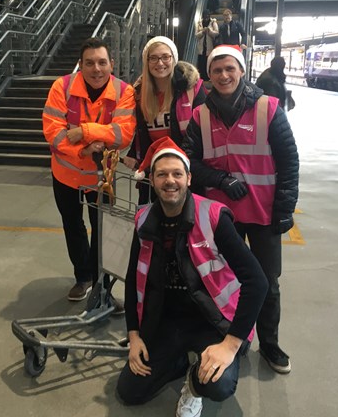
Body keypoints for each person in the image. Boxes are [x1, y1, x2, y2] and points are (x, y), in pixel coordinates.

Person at [116, 136, 268, 416]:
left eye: (177, 174)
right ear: (151, 179)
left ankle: (194, 388)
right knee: (130, 391)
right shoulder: (144, 220)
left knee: (217, 386)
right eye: (161, 174)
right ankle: (180, 362)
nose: (169, 181)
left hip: (211, 321)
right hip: (167, 320)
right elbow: (132, 280)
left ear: (188, 178)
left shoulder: (212, 217)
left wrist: (230, 344)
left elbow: (257, 282)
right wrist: (134, 335)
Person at [182, 45, 299, 375]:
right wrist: (218, 177)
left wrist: (285, 209)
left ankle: (270, 344)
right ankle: (224, 335)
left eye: (229, 68)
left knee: (267, 282)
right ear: (209, 75)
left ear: (242, 71)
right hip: (221, 216)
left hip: (263, 214)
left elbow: (289, 162)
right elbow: (188, 161)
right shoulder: (200, 116)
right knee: (218, 278)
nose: (223, 75)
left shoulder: (268, 109)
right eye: (216, 70)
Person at [42, 38, 136, 301]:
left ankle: (101, 285)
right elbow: (53, 131)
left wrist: (82, 131)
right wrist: (82, 150)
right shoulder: (61, 87)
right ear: (80, 65)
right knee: (73, 225)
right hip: (66, 172)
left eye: (102, 62)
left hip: (102, 175)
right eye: (90, 63)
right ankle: (82, 277)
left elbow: (123, 134)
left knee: (102, 228)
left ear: (111, 64)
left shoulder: (124, 91)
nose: (97, 69)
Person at [122, 36, 206, 204]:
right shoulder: (139, 93)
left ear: (173, 59)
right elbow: (141, 131)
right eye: (153, 58)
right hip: (154, 170)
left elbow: (203, 133)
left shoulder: (192, 88)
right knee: (148, 221)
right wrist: (133, 154)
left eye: (165, 57)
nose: (159, 63)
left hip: (185, 170)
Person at [195, 11, 219, 81]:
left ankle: (209, 77)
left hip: (209, 46)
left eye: (207, 16)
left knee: (208, 62)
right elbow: (196, 35)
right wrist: (202, 32)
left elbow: (217, 33)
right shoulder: (199, 23)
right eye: (204, 16)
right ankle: (202, 78)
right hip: (201, 47)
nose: (205, 18)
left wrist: (209, 31)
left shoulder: (213, 22)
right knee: (201, 62)